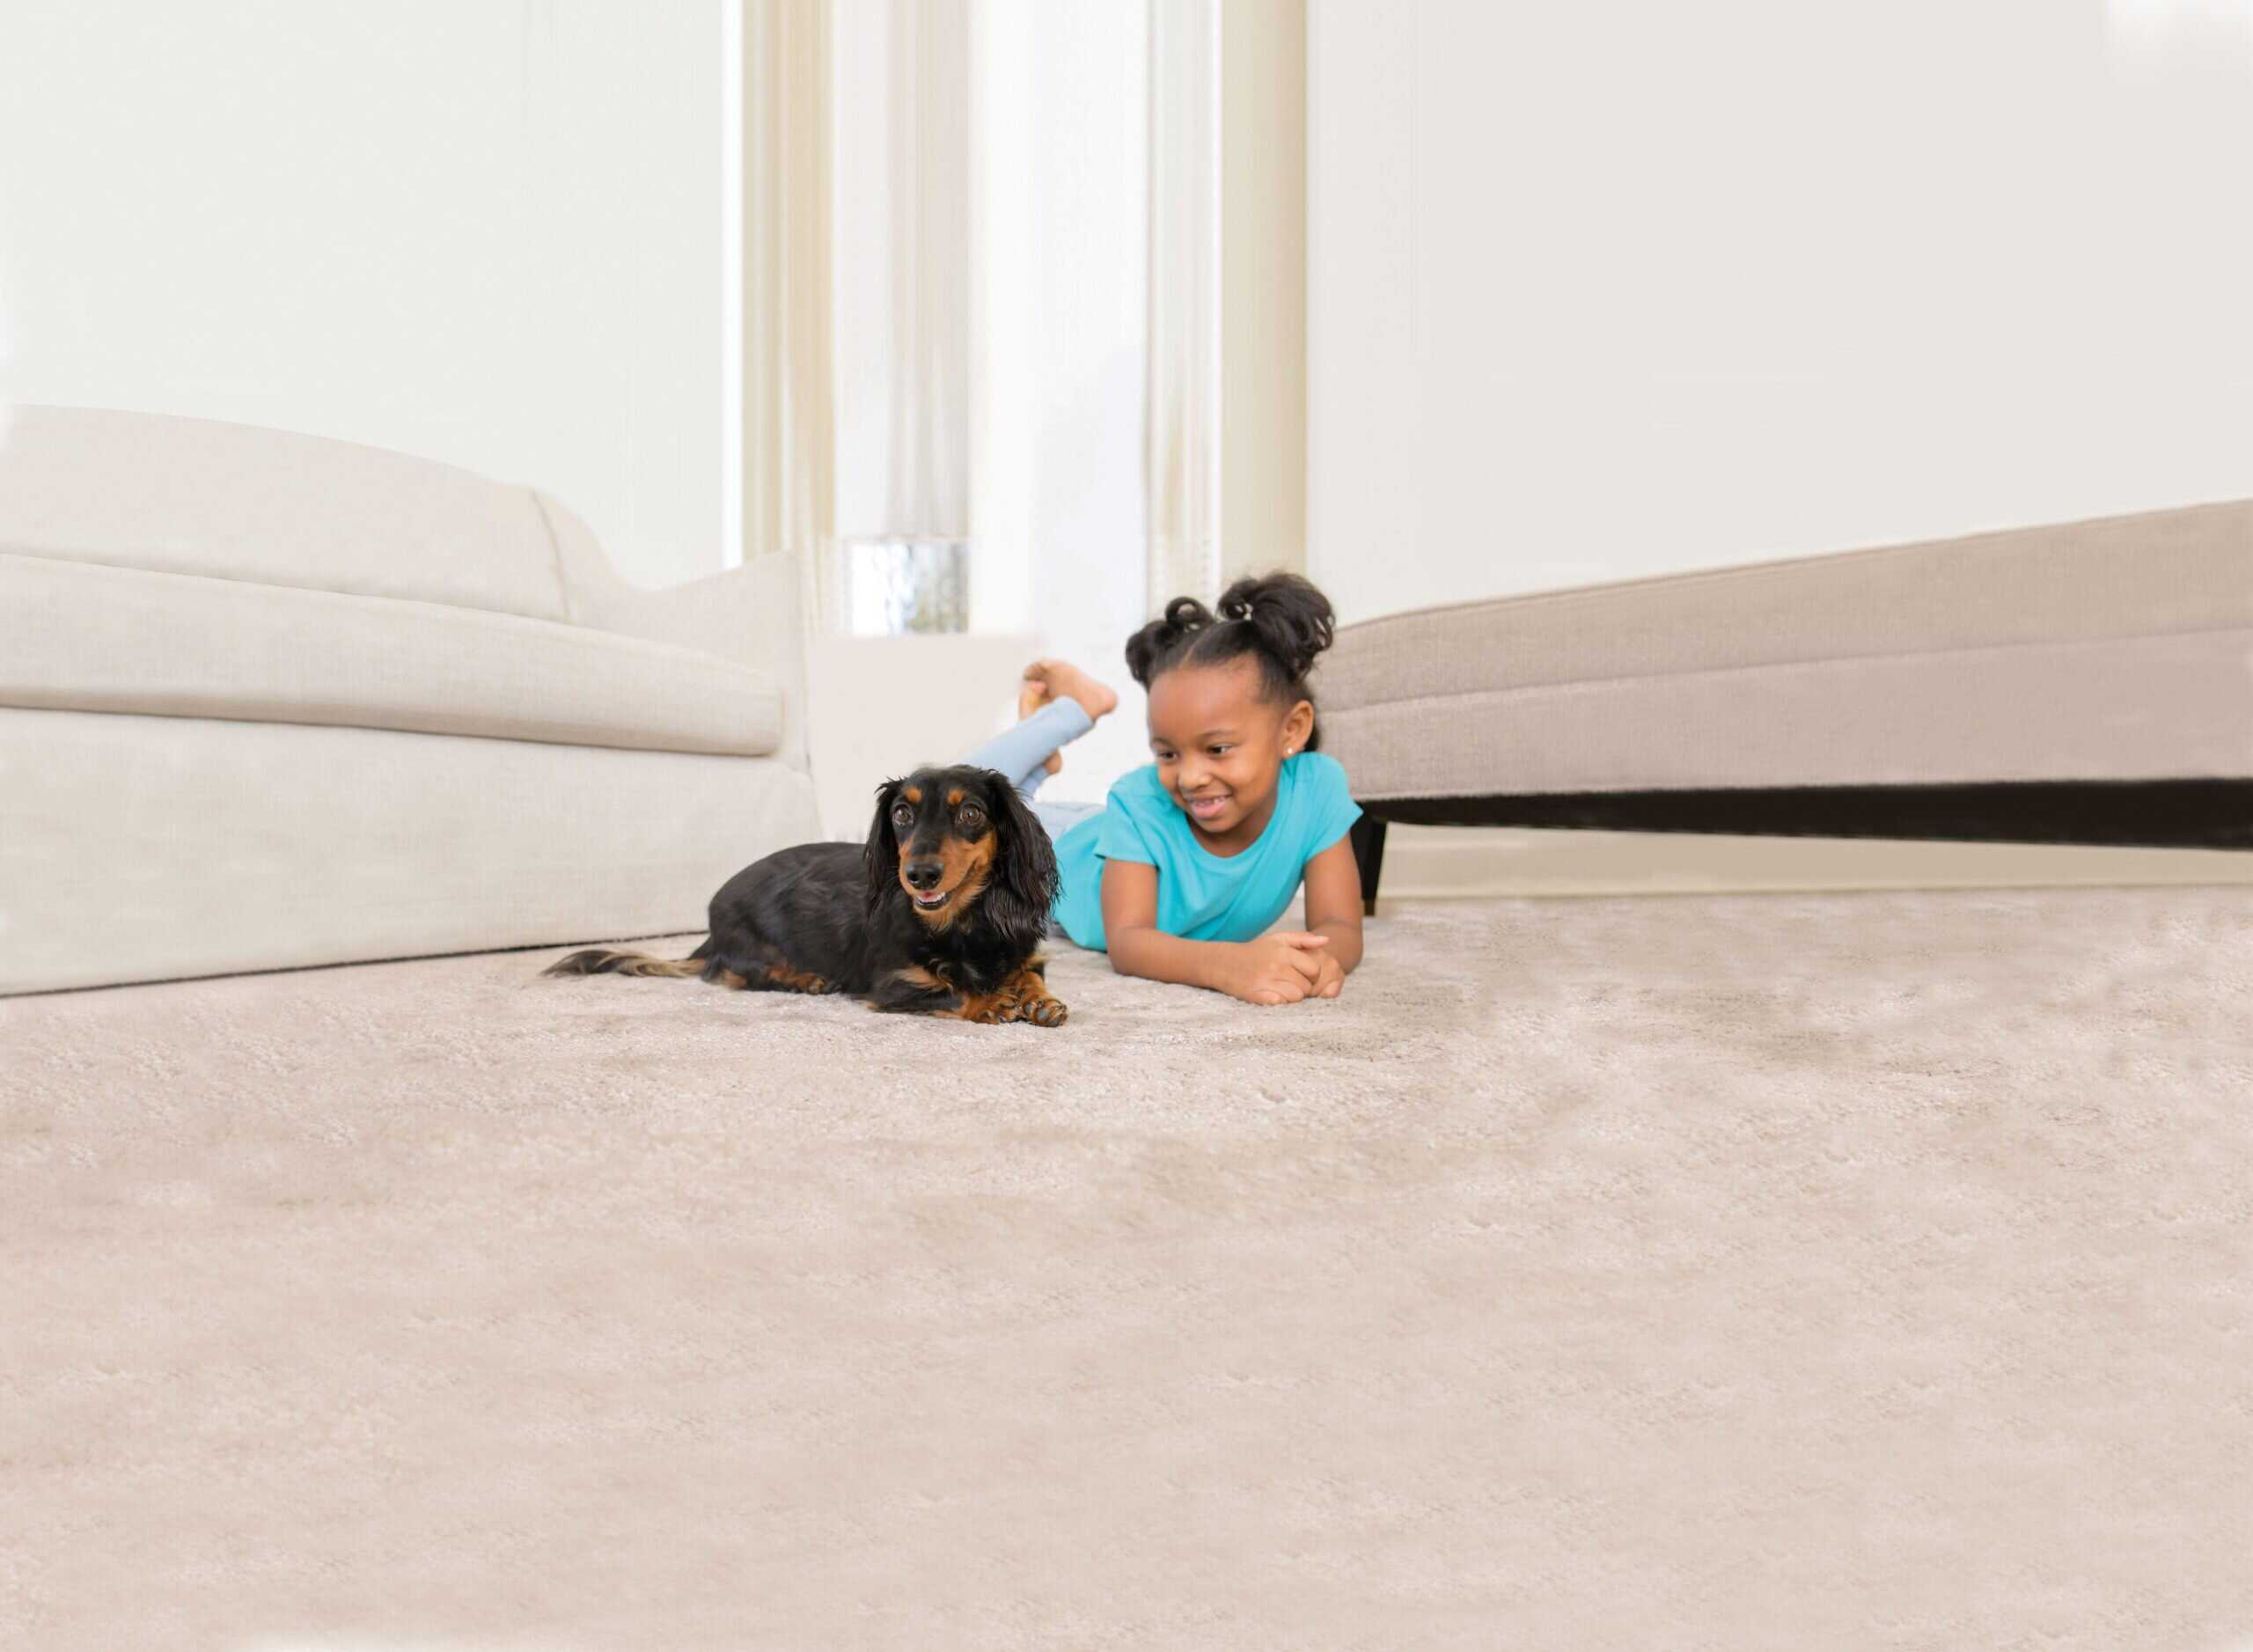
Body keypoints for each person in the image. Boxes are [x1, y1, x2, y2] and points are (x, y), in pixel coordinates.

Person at [956, 572, 1364, 1008]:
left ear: (1293, 730)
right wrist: (1232, 965)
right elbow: (1129, 942)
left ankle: (1036, 761)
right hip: (1051, 850)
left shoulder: (1317, 788)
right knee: (961, 798)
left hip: (1103, 834)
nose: (1190, 778)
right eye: (1167, 754)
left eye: (1217, 749)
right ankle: (1075, 710)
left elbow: (1339, 924)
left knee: (1000, 798)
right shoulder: (1140, 801)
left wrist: (1319, 961)